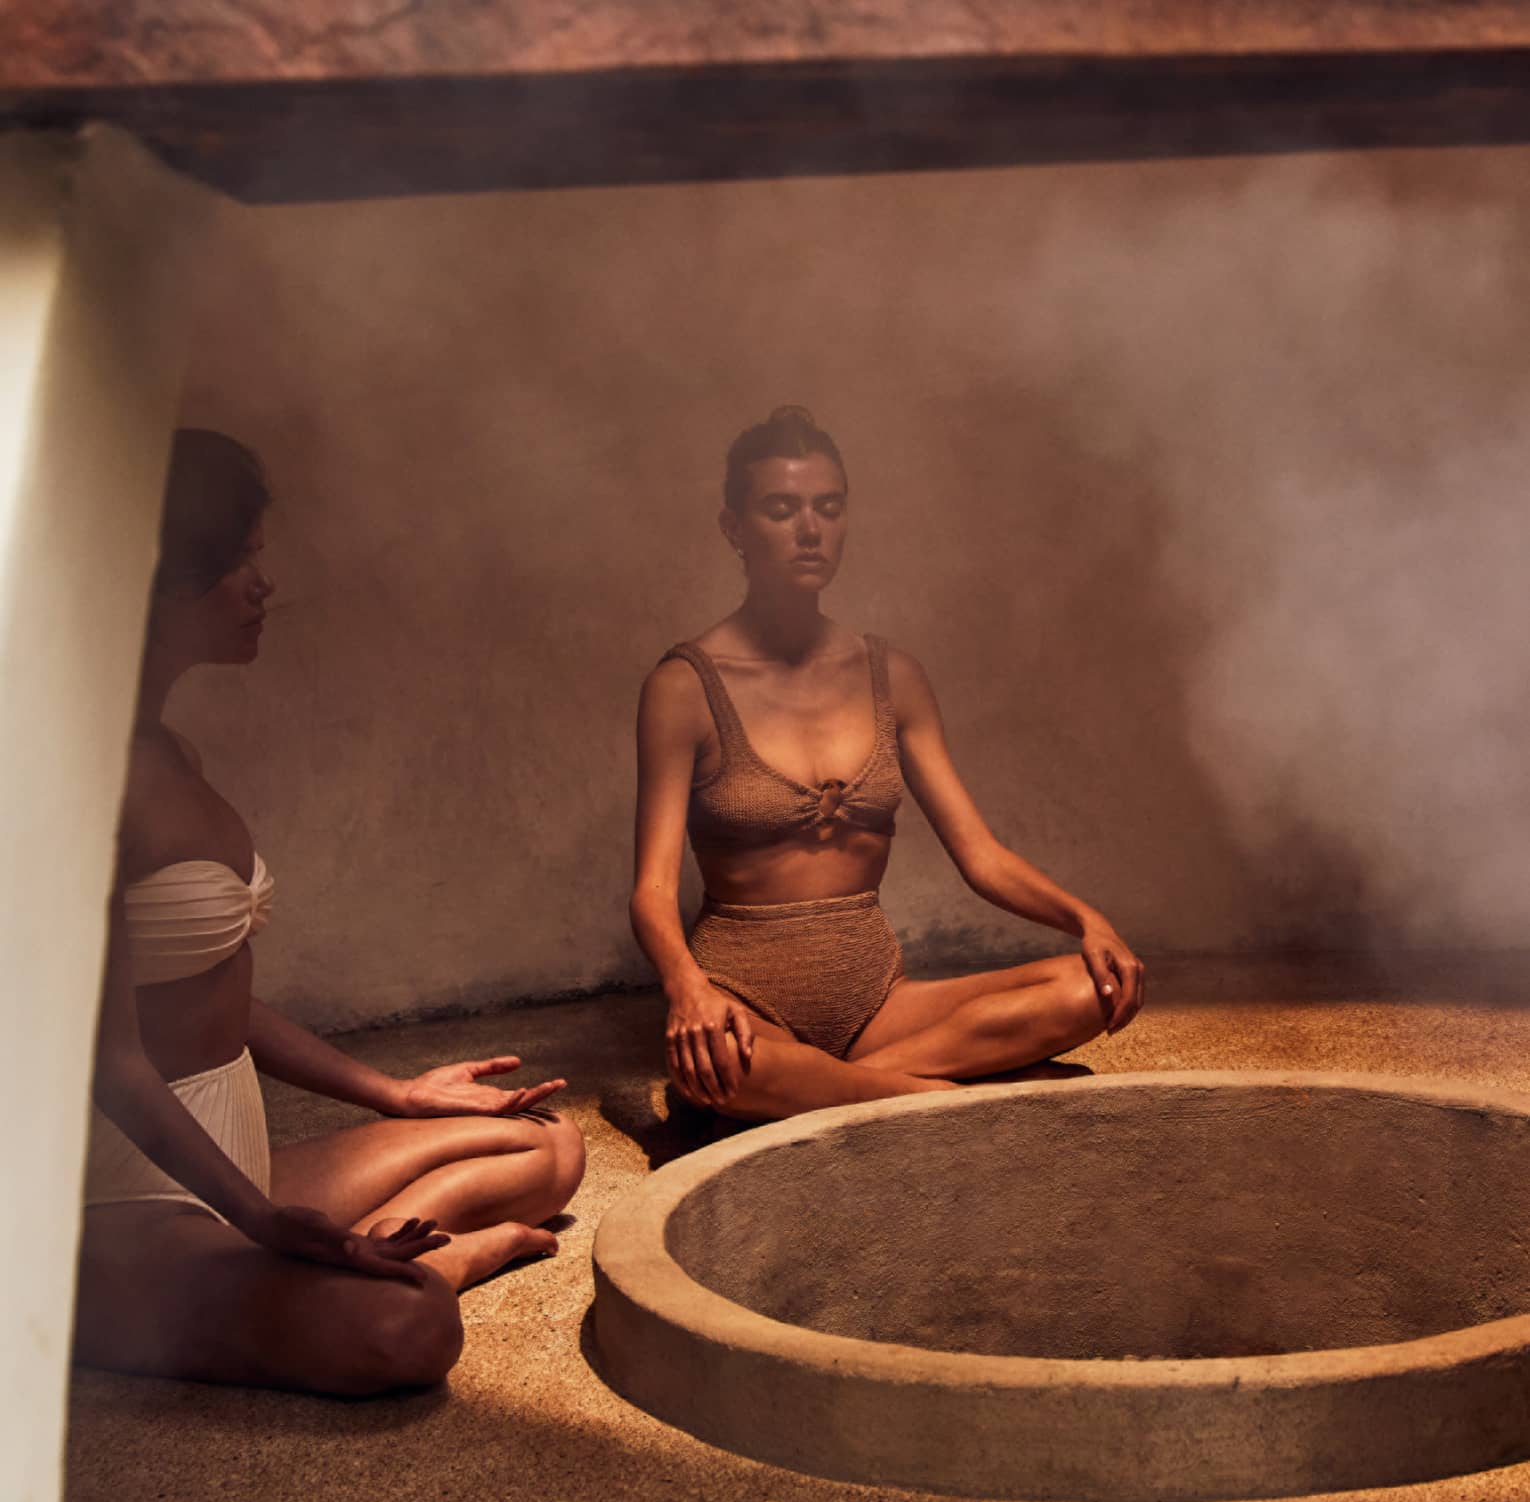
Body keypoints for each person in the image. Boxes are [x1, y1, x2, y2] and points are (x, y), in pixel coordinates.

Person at [75, 429, 585, 1396]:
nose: (260, 584)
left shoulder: (170, 756)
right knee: (405, 1330)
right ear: (157, 580)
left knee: (547, 1147)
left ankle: (331, 1254)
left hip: (232, 1152)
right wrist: (262, 1223)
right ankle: (421, 1262)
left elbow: (207, 995)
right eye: (238, 561)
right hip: (121, 1193)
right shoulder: (84, 780)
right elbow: (111, 1059)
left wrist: (395, 1094)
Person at [632, 406, 1146, 1121]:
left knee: (1091, 986)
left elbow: (982, 857)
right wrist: (688, 990)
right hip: (747, 999)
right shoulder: (684, 686)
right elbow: (652, 891)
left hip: (878, 1001)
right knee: (729, 1064)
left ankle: (825, 1094)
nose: (810, 530)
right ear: (734, 529)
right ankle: (920, 1098)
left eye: (828, 508)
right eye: (781, 509)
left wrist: (1089, 920)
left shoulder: (892, 675)